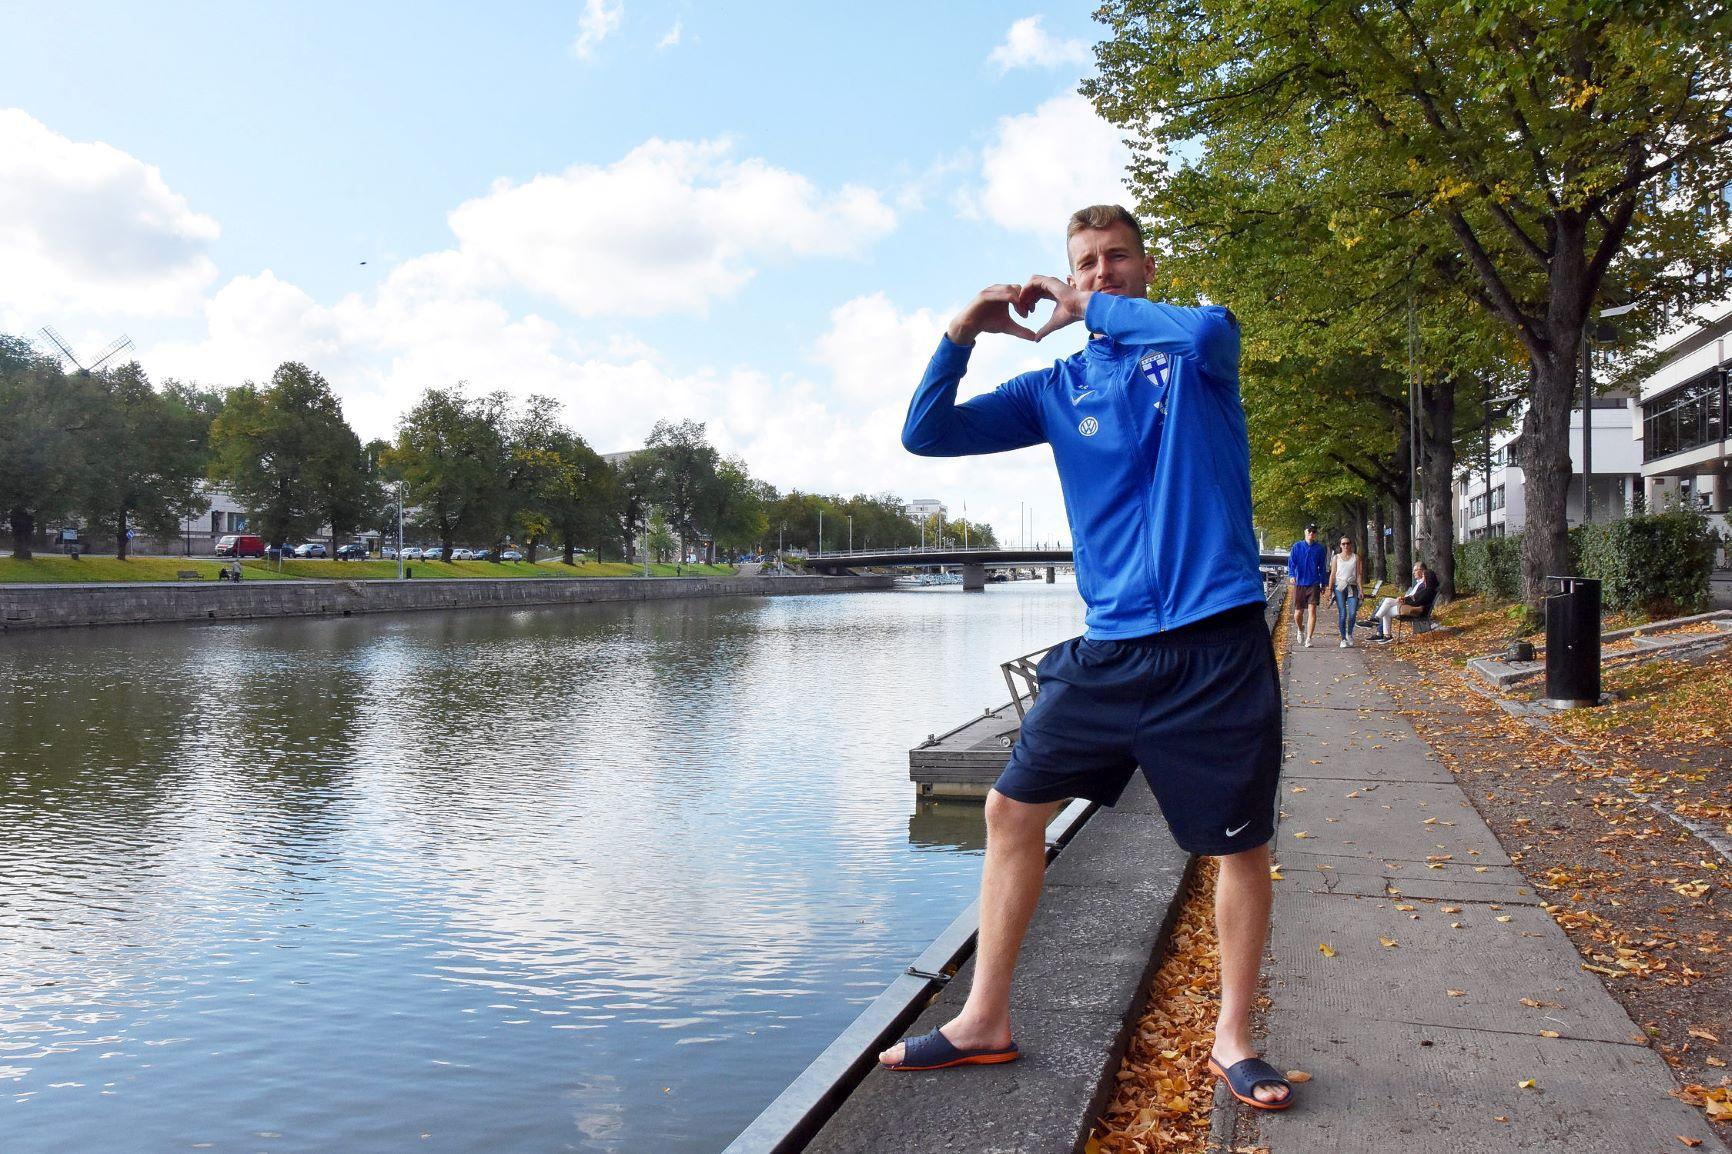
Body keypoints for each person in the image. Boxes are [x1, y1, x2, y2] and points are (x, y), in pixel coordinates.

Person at [880, 204, 1291, 1110]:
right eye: (1084, 263)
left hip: (1214, 646)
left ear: (1146, 265)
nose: (1099, 274)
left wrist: (1082, 305)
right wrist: (960, 335)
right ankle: (984, 1019)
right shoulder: (1053, 391)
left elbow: (1203, 329)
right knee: (1010, 809)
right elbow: (926, 434)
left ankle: (1234, 1039)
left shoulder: (1197, 351)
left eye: (1114, 260)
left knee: (1240, 844)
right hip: (1108, 653)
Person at [1372, 562, 1438, 641]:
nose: (1423, 578)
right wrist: (1404, 599)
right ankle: (1383, 631)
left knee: (1387, 603)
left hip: (1415, 610)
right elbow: (1415, 598)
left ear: (1428, 578)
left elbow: (1417, 601)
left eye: (1424, 576)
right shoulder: (1425, 588)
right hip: (1411, 606)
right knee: (1386, 604)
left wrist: (1404, 600)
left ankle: (1378, 622)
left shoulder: (1427, 590)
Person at [1286, 524, 1327, 647]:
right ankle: (1300, 629)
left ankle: (1309, 638)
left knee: (1312, 610)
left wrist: (1323, 583)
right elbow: (1291, 563)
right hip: (1300, 583)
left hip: (1313, 583)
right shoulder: (1297, 547)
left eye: (1314, 531)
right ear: (1305, 532)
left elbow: (1322, 567)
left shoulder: (1319, 549)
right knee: (1298, 613)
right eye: (1309, 531)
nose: (1311, 533)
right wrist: (1292, 575)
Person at [1330, 535, 1364, 648]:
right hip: (1340, 586)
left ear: (1351, 545)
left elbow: (1359, 575)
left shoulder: (1356, 557)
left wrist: (1361, 590)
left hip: (1352, 586)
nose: (1346, 546)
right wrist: (1330, 589)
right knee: (1343, 613)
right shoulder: (1336, 558)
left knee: (1353, 612)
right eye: (1343, 544)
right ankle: (1343, 638)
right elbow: (1333, 574)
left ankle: (1350, 633)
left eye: (1348, 543)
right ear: (1340, 545)